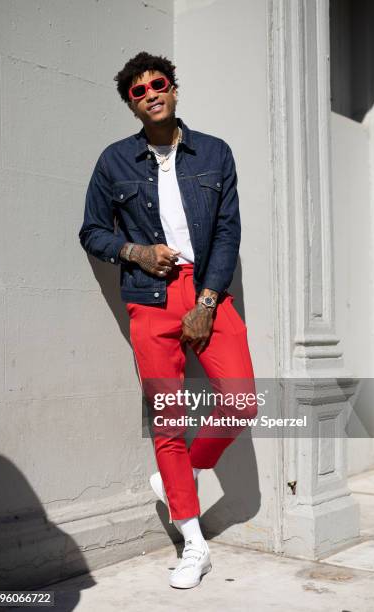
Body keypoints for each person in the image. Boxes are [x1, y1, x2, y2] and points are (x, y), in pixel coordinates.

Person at [79, 51, 257, 589]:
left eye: (158, 84)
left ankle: (187, 471)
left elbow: (227, 233)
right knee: (169, 421)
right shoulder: (114, 162)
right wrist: (135, 252)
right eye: (138, 91)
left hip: (206, 290)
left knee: (242, 399)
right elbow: (91, 231)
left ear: (174, 89)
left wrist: (206, 303)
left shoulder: (216, 153)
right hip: (149, 299)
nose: (151, 93)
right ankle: (192, 540)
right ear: (132, 105)